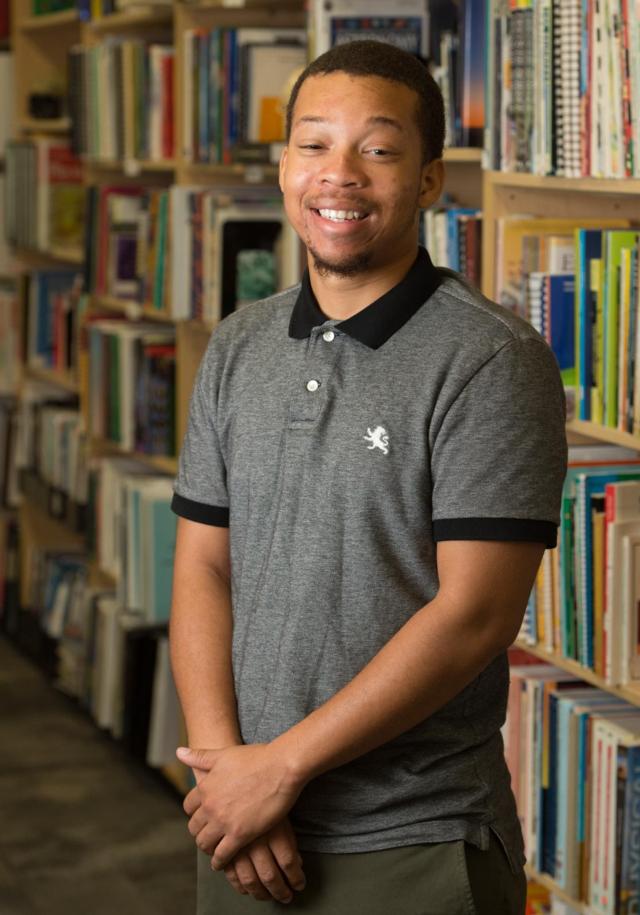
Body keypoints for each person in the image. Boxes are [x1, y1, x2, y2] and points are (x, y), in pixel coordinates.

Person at [169, 40, 567, 915]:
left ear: (427, 180)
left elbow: (474, 615)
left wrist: (282, 766)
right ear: (284, 168)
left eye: (378, 149)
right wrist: (225, 768)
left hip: (412, 838)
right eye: (313, 144)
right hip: (239, 824)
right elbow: (201, 564)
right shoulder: (238, 344)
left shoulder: (493, 359)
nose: (338, 174)